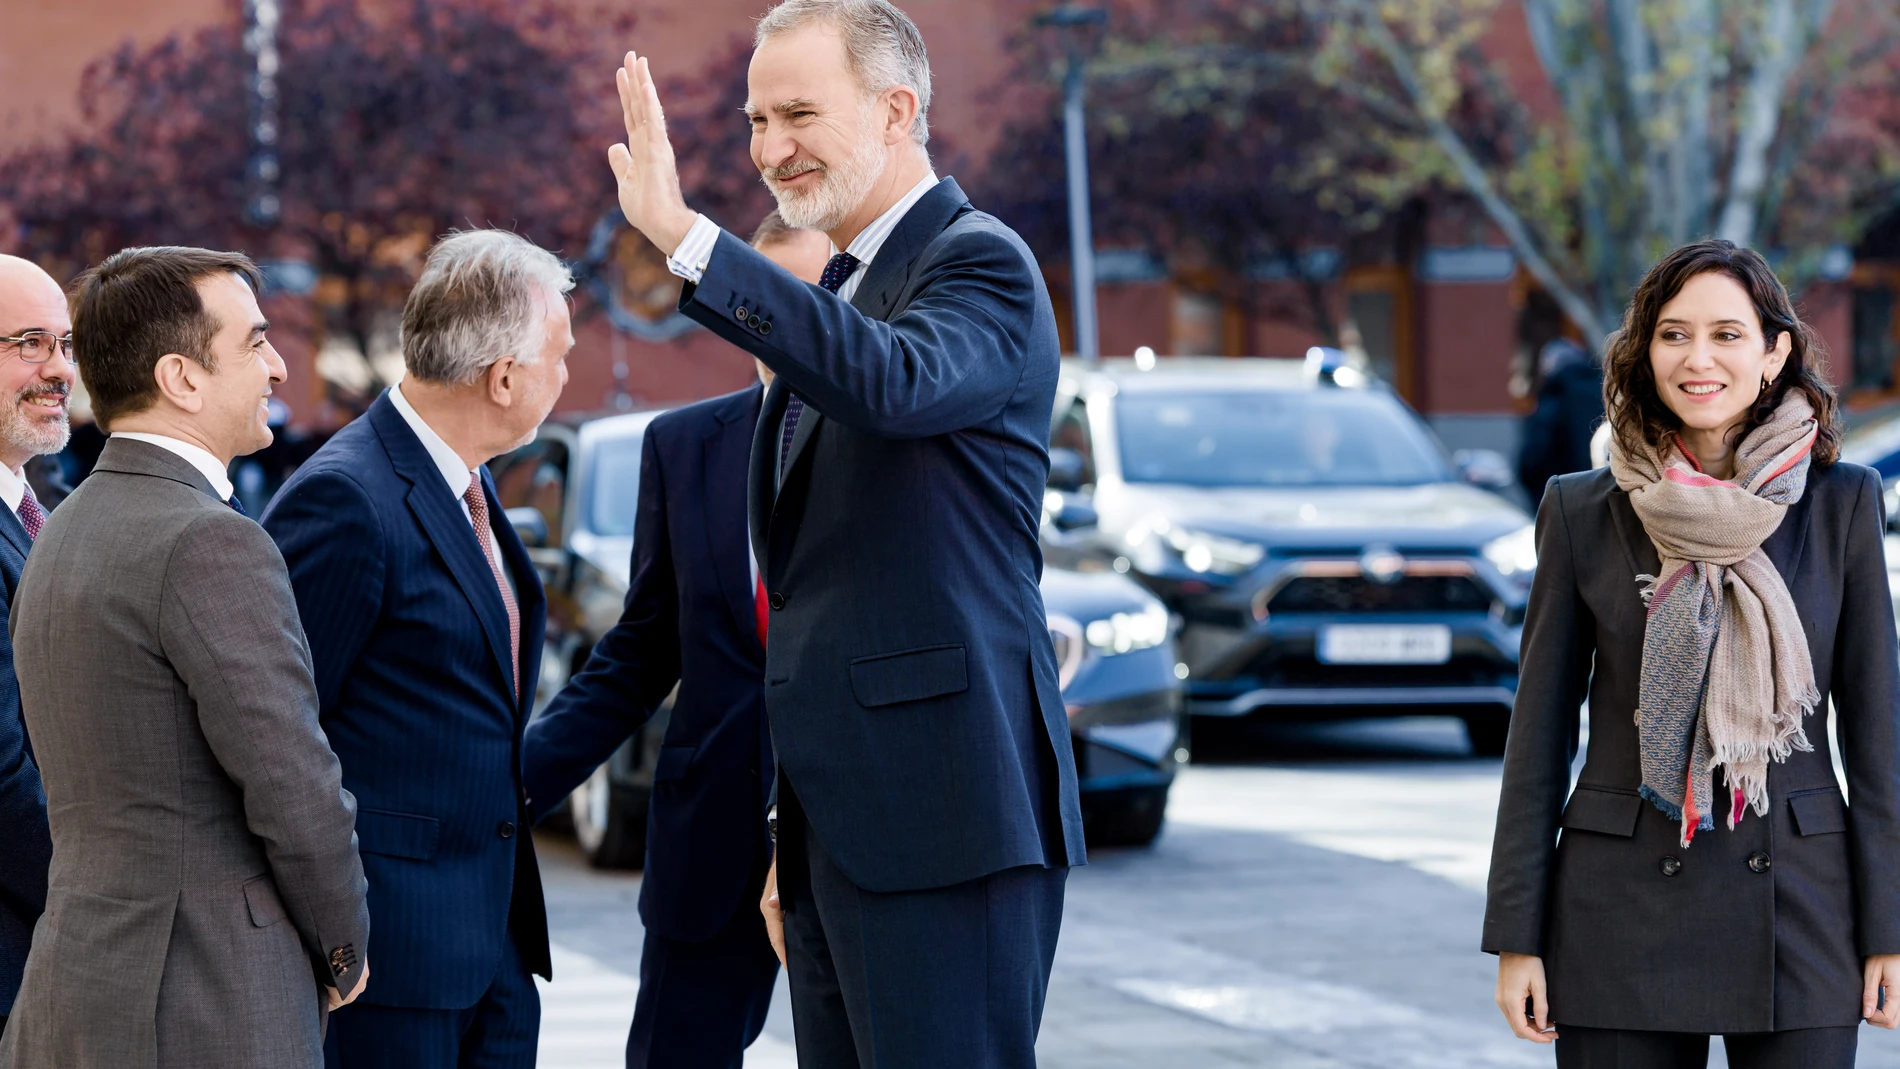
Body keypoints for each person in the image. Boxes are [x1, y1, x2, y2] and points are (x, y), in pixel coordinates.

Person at [603, 2, 1086, 1064]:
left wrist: (690, 240)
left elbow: (892, 384)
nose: (769, 149)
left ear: (897, 110)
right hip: (838, 838)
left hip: (944, 825)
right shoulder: (843, 285)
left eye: (797, 114)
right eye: (753, 120)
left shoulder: (979, 264)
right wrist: (791, 837)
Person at [1485, 238, 1900, 1067]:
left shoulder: (1841, 503)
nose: (1698, 358)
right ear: (1644, 352)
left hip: (1800, 905)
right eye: (1673, 335)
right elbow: (1536, 738)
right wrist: (1517, 936)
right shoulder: (1582, 510)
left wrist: (1890, 925)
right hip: (1620, 904)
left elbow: (1877, 730)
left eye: (1727, 334)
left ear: (1774, 352)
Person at [0, 246, 370, 1068]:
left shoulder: (59, 531)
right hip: (207, 1004)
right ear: (183, 378)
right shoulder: (210, 540)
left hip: (71, 990)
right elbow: (294, 785)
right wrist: (345, 948)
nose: (276, 364)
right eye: (255, 341)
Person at [523, 210, 831, 1069]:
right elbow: (642, 648)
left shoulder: (888, 446)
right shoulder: (685, 446)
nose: (787, 315)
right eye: (766, 295)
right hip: (714, 843)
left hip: (855, 835)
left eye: (814, 296)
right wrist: (513, 784)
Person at [261, 230, 570, 1069]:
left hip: (495, 948)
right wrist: (332, 940)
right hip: (389, 962)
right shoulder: (344, 495)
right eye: (560, 356)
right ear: (504, 375)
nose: (566, 377)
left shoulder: (466, 480)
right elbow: (279, 738)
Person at [0, 256, 78, 1041]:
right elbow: (1, 775)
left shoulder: (30, 508)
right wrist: (99, 902)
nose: (60, 370)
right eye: (29, 343)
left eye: (65, 343)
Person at [1516, 336, 1605, 507]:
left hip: (1566, 501)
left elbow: (1532, 459)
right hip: (1607, 495)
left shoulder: (1554, 397)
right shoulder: (1606, 392)